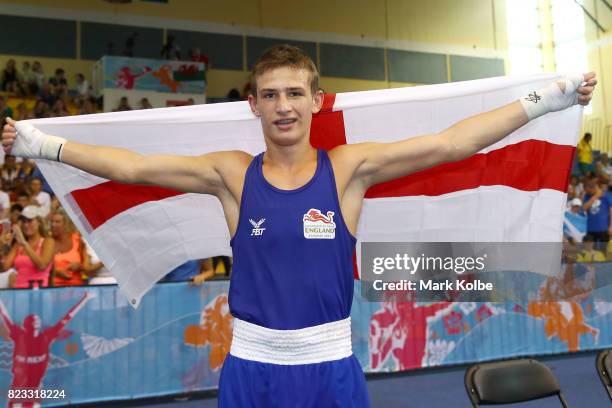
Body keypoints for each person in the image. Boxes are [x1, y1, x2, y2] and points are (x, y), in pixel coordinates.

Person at [1, 45, 597, 406]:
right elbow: (131, 165)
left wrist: (548, 98)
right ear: (253, 105)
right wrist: (42, 142)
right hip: (251, 368)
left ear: (316, 101)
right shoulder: (232, 174)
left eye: (294, 93)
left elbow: (451, 142)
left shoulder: (348, 169)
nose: (283, 105)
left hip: (331, 367)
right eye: (270, 95)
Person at [0, 292, 91, 406]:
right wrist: (84, 299)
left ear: (24, 326)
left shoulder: (22, 335)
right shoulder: (44, 337)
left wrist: (84, 299)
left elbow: (5, 315)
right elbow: (67, 317)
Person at [2, 205, 54, 289]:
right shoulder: (18, 244)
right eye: (24, 221)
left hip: (39, 294)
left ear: (39, 222)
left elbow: (42, 266)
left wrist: (24, 243)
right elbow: (4, 268)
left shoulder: (48, 241)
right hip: (19, 293)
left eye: (30, 221)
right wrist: (3, 246)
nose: (26, 224)